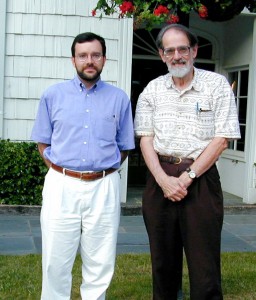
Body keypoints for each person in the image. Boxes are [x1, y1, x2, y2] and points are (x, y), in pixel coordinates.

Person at [134, 24, 240, 300]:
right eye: (170, 50)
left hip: (201, 178)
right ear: (161, 55)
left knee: (204, 264)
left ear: (194, 51)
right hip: (160, 179)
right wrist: (163, 179)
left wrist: (187, 177)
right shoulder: (152, 90)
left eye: (183, 49)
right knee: (162, 261)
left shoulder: (216, 85)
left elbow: (222, 138)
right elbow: (145, 139)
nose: (177, 55)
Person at [31, 32, 135, 300]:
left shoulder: (119, 98)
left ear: (104, 59)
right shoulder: (52, 96)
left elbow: (124, 145)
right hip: (61, 185)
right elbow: (43, 142)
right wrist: (64, 171)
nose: (90, 61)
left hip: (104, 186)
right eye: (83, 55)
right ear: (73, 59)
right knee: (55, 259)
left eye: (95, 55)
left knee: (100, 260)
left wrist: (102, 171)